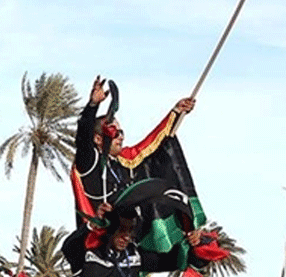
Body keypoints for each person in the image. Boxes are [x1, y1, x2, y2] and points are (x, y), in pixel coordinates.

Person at [71, 76, 195, 226]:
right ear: (98, 139)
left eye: (121, 132)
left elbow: (151, 143)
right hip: (104, 238)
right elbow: (83, 136)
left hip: (131, 232)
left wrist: (176, 112)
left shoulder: (125, 159)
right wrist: (92, 105)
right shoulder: (89, 161)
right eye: (115, 133)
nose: (121, 137)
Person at [64, 212, 207, 277]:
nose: (126, 237)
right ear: (110, 230)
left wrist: (195, 244)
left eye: (129, 231)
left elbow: (172, 260)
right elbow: (69, 247)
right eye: (121, 230)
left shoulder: (134, 254)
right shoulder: (88, 254)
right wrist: (90, 225)